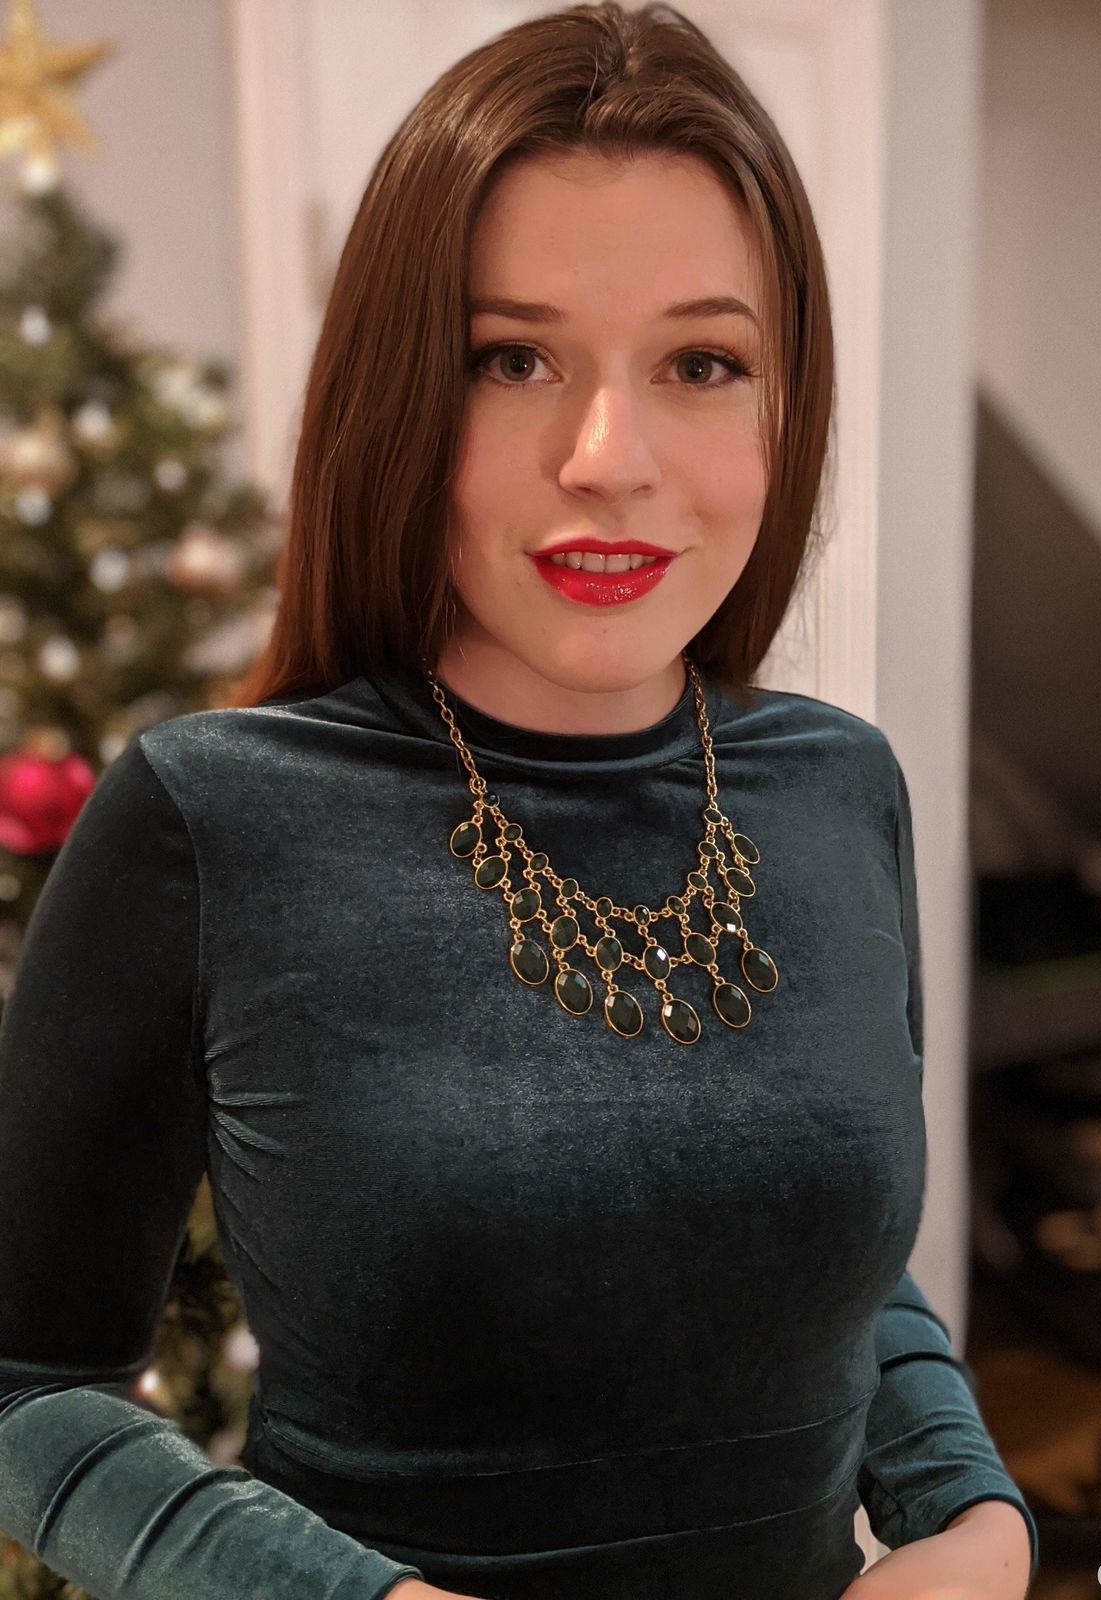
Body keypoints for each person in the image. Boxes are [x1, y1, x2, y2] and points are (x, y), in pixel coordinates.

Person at [0, 4, 1038, 1598]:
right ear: (401, 391)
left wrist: (973, 1519)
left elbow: (837, 1264)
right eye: (513, 358)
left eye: (702, 362)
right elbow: (22, 1384)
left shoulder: (843, 787)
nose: (610, 456)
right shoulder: (212, 818)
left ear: (787, 405)